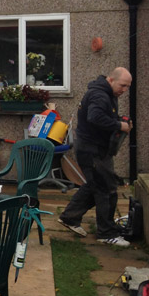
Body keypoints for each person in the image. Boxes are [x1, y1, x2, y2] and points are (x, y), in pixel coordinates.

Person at [58, 67, 133, 247]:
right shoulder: (100, 95)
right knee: (106, 189)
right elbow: (95, 117)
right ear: (111, 80)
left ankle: (70, 217)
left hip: (94, 148)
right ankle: (106, 233)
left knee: (96, 185)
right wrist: (119, 125)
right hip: (92, 150)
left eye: (128, 87)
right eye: (122, 85)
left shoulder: (106, 93)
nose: (124, 90)